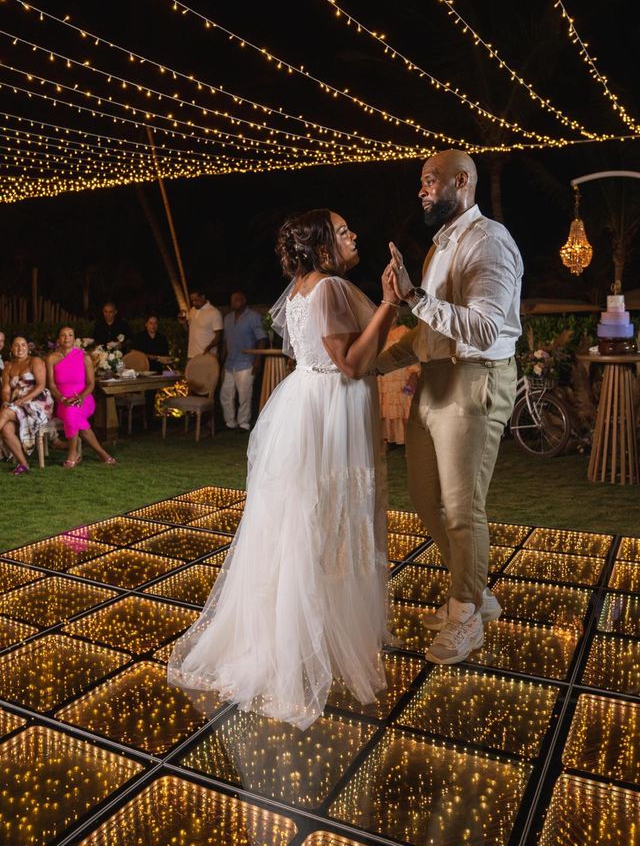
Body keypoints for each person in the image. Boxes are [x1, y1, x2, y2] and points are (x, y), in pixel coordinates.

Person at [168, 209, 398, 729]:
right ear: (321, 247)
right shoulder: (332, 289)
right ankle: (309, 648)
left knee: (300, 522)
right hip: (328, 408)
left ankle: (301, 638)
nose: (353, 234)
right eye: (342, 231)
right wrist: (388, 303)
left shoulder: (300, 288)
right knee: (328, 520)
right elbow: (352, 364)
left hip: (304, 403)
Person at [379, 149, 523, 666]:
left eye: (430, 180)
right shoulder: (439, 245)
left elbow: (483, 328)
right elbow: (428, 330)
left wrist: (415, 297)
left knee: (463, 509)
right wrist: (369, 364)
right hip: (433, 380)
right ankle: (475, 592)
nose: (421, 189)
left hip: (474, 379)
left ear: (461, 182)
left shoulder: (490, 242)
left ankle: (467, 612)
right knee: (424, 498)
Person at [47, 326, 116, 468]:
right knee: (71, 413)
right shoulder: (51, 359)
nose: (66, 338)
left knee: (73, 412)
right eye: (63, 335)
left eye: (70, 335)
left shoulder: (85, 357)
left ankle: (72, 454)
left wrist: (81, 397)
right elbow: (51, 385)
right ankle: (102, 453)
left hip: (84, 400)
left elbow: (91, 384)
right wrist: (62, 399)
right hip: (63, 401)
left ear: (74, 338)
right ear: (58, 339)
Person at [0, 335, 54, 474]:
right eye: (16, 345)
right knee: (6, 429)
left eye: (23, 345)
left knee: (5, 413)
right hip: (16, 404)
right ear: (11, 348)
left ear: (28, 348)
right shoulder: (8, 366)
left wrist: (23, 400)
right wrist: (6, 401)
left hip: (38, 401)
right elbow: (6, 389)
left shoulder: (34, 361)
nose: (20, 348)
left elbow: (41, 386)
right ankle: (23, 464)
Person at [220, 291, 268, 431]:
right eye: (233, 299)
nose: (236, 301)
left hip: (247, 362)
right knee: (226, 394)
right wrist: (221, 362)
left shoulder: (253, 317)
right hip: (230, 363)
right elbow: (225, 342)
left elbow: (262, 339)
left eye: (239, 299)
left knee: (245, 395)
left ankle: (243, 423)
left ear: (244, 300)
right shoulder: (227, 318)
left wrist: (257, 360)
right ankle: (230, 423)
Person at [377, 322, 420, 447]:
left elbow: (412, 353)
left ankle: (410, 444)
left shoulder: (404, 331)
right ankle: (387, 440)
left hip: (401, 378)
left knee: (405, 411)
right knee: (386, 410)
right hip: (384, 379)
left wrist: (413, 374)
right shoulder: (379, 334)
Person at [179, 288, 223, 360]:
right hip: (192, 355)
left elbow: (218, 336)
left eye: (196, 300)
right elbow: (189, 331)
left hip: (207, 355)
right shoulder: (192, 310)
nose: (193, 303)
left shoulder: (214, 312)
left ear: (203, 297)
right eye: (192, 300)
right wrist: (183, 323)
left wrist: (208, 348)